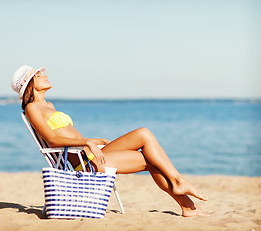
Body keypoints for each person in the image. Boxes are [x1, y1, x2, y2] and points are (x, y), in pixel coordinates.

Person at [12, 65, 210, 217]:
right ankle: (186, 202)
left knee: (144, 133)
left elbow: (67, 134)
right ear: (30, 84)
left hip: (89, 153)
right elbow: (53, 140)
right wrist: (88, 142)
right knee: (151, 160)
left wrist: (93, 141)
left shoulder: (49, 105)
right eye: (39, 75)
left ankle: (180, 185)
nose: (45, 75)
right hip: (84, 164)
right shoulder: (32, 108)